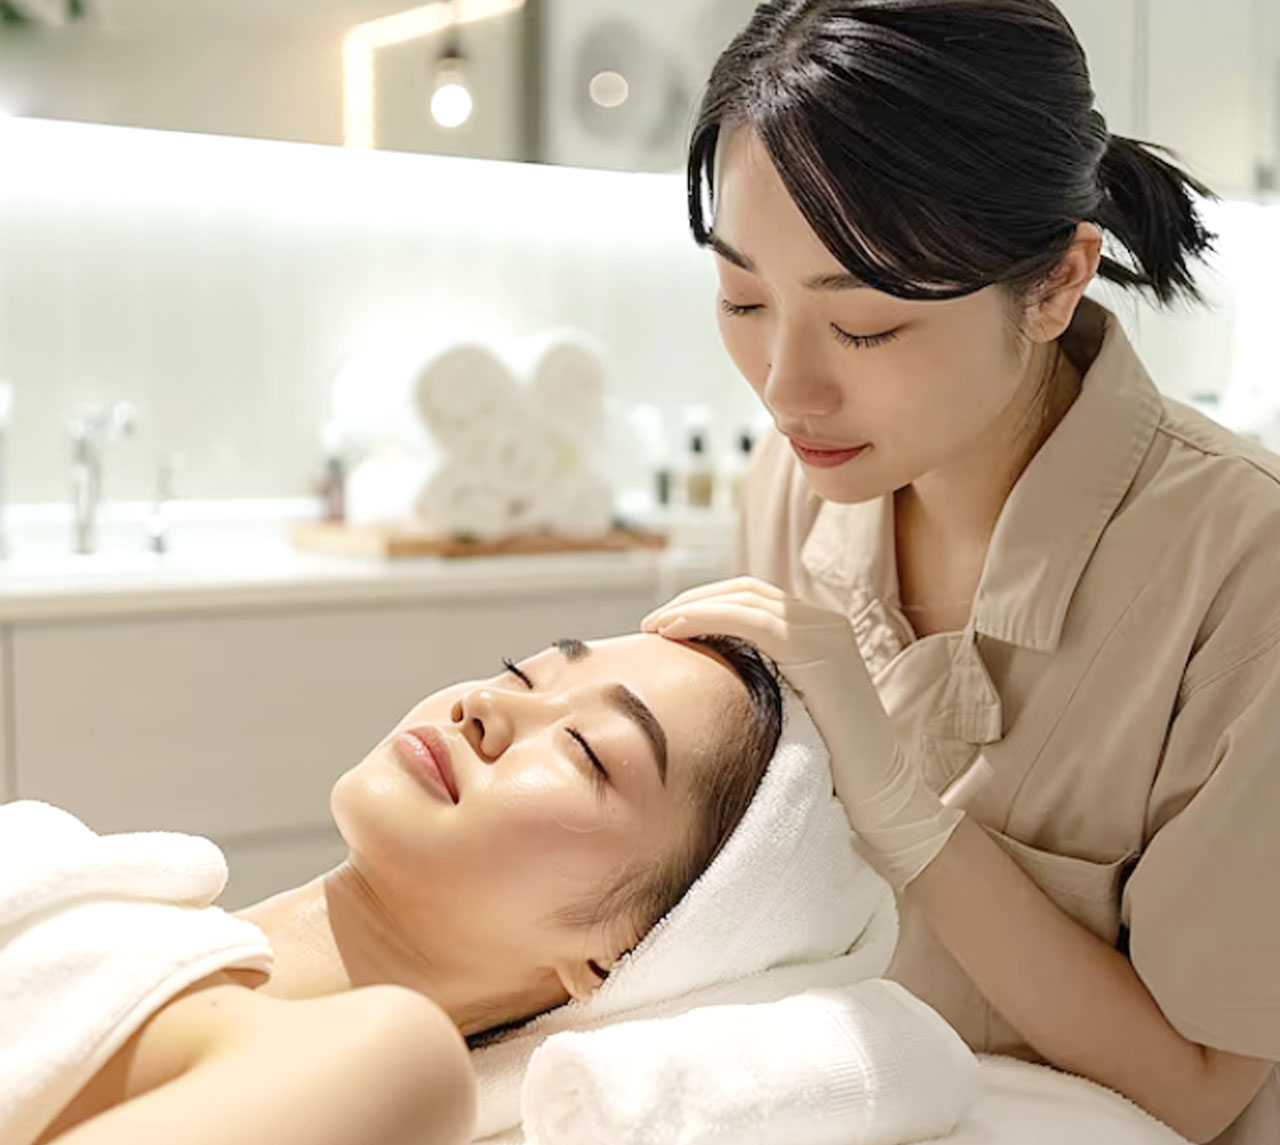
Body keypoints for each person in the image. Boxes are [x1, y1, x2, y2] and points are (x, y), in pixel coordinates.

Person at [641, 3, 1280, 1143]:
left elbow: (1197, 1084)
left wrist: (902, 810)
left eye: (865, 326)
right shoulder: (795, 483)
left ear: (1057, 282)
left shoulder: (1241, 562)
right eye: (743, 301)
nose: (786, 390)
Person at [31, 633, 783, 1145]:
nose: (484, 706)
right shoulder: (103, 893)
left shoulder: (390, 1056)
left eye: (586, 749)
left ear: (626, 951)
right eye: (521, 674)